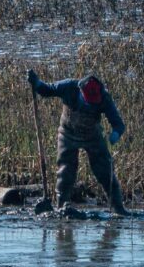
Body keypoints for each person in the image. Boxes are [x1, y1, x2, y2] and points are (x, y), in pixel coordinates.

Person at [27, 67, 129, 215]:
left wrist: (115, 134)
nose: (92, 105)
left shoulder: (104, 98)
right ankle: (62, 206)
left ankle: (118, 208)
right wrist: (36, 83)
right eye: (89, 102)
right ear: (81, 92)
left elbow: (118, 124)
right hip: (67, 135)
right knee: (65, 172)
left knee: (105, 172)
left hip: (92, 137)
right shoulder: (68, 86)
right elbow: (46, 90)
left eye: (95, 103)